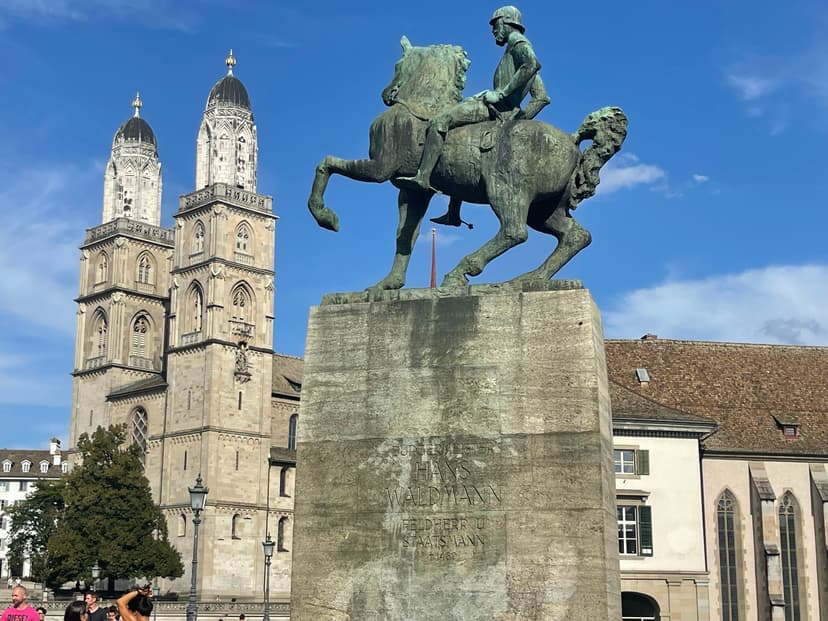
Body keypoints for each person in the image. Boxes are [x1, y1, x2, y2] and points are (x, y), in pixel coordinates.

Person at [398, 5, 550, 225]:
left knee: (440, 122)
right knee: (458, 140)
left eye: (495, 25)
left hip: (493, 108)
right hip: (505, 112)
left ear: (506, 22)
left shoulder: (518, 43)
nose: (493, 31)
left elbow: (532, 63)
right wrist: (518, 120)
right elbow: (542, 97)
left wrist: (501, 95)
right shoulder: (516, 58)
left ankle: (422, 176)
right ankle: (453, 213)